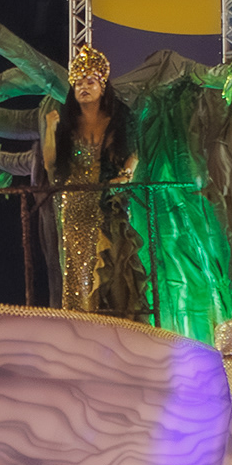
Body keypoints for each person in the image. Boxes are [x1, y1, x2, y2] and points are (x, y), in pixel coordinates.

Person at [44, 45, 146, 317]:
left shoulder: (120, 119)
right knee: (79, 270)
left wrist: (125, 175)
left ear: (102, 87)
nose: (84, 88)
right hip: (75, 203)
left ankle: (115, 323)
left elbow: (135, 152)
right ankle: (80, 324)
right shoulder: (67, 123)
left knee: (113, 263)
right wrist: (50, 130)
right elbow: (50, 164)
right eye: (78, 83)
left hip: (108, 200)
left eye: (90, 82)